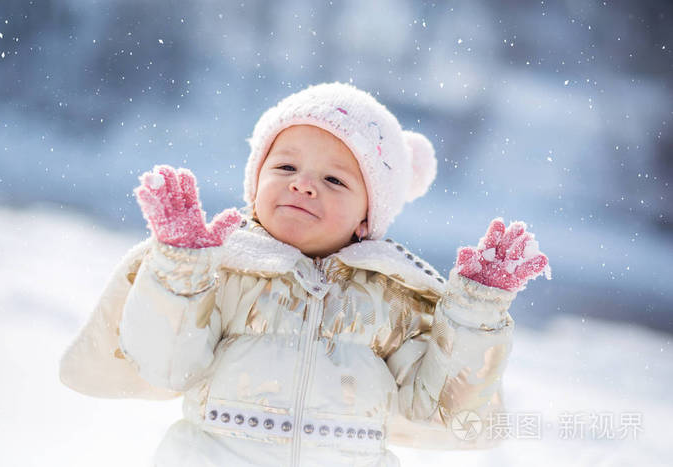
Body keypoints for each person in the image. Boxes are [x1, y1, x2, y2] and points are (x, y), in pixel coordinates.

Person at [60, 82, 549, 466]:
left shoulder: (393, 299)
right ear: (254, 185)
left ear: (367, 218)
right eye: (285, 165)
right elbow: (167, 365)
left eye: (333, 179)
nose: (302, 184)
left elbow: (443, 407)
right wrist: (180, 267)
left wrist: (474, 314)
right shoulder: (226, 272)